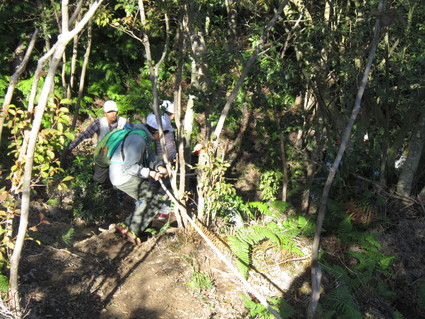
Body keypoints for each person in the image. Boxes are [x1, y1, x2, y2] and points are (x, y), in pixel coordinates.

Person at [109, 120, 169, 244]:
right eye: (163, 133)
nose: (163, 137)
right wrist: (150, 173)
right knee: (154, 199)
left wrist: (159, 167)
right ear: (156, 131)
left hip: (122, 174)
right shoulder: (138, 140)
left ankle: (140, 229)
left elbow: (150, 156)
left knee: (149, 197)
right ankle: (130, 228)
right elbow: (129, 167)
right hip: (122, 175)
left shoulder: (143, 137)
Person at [65, 100, 127, 184]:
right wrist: (70, 147)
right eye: (109, 112)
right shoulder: (99, 123)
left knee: (119, 180)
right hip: (103, 154)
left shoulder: (123, 122)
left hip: (119, 155)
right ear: (105, 114)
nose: (113, 114)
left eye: (114, 111)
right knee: (99, 179)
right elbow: (85, 134)